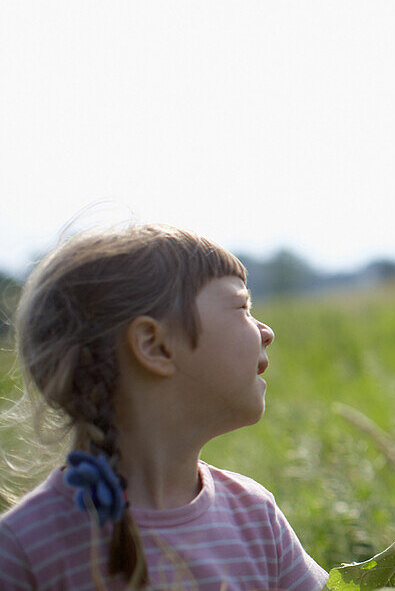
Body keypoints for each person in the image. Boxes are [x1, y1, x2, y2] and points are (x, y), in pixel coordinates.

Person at [0, 224, 328, 590]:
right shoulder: (22, 551)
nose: (266, 331)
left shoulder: (255, 516)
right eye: (242, 306)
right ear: (154, 345)